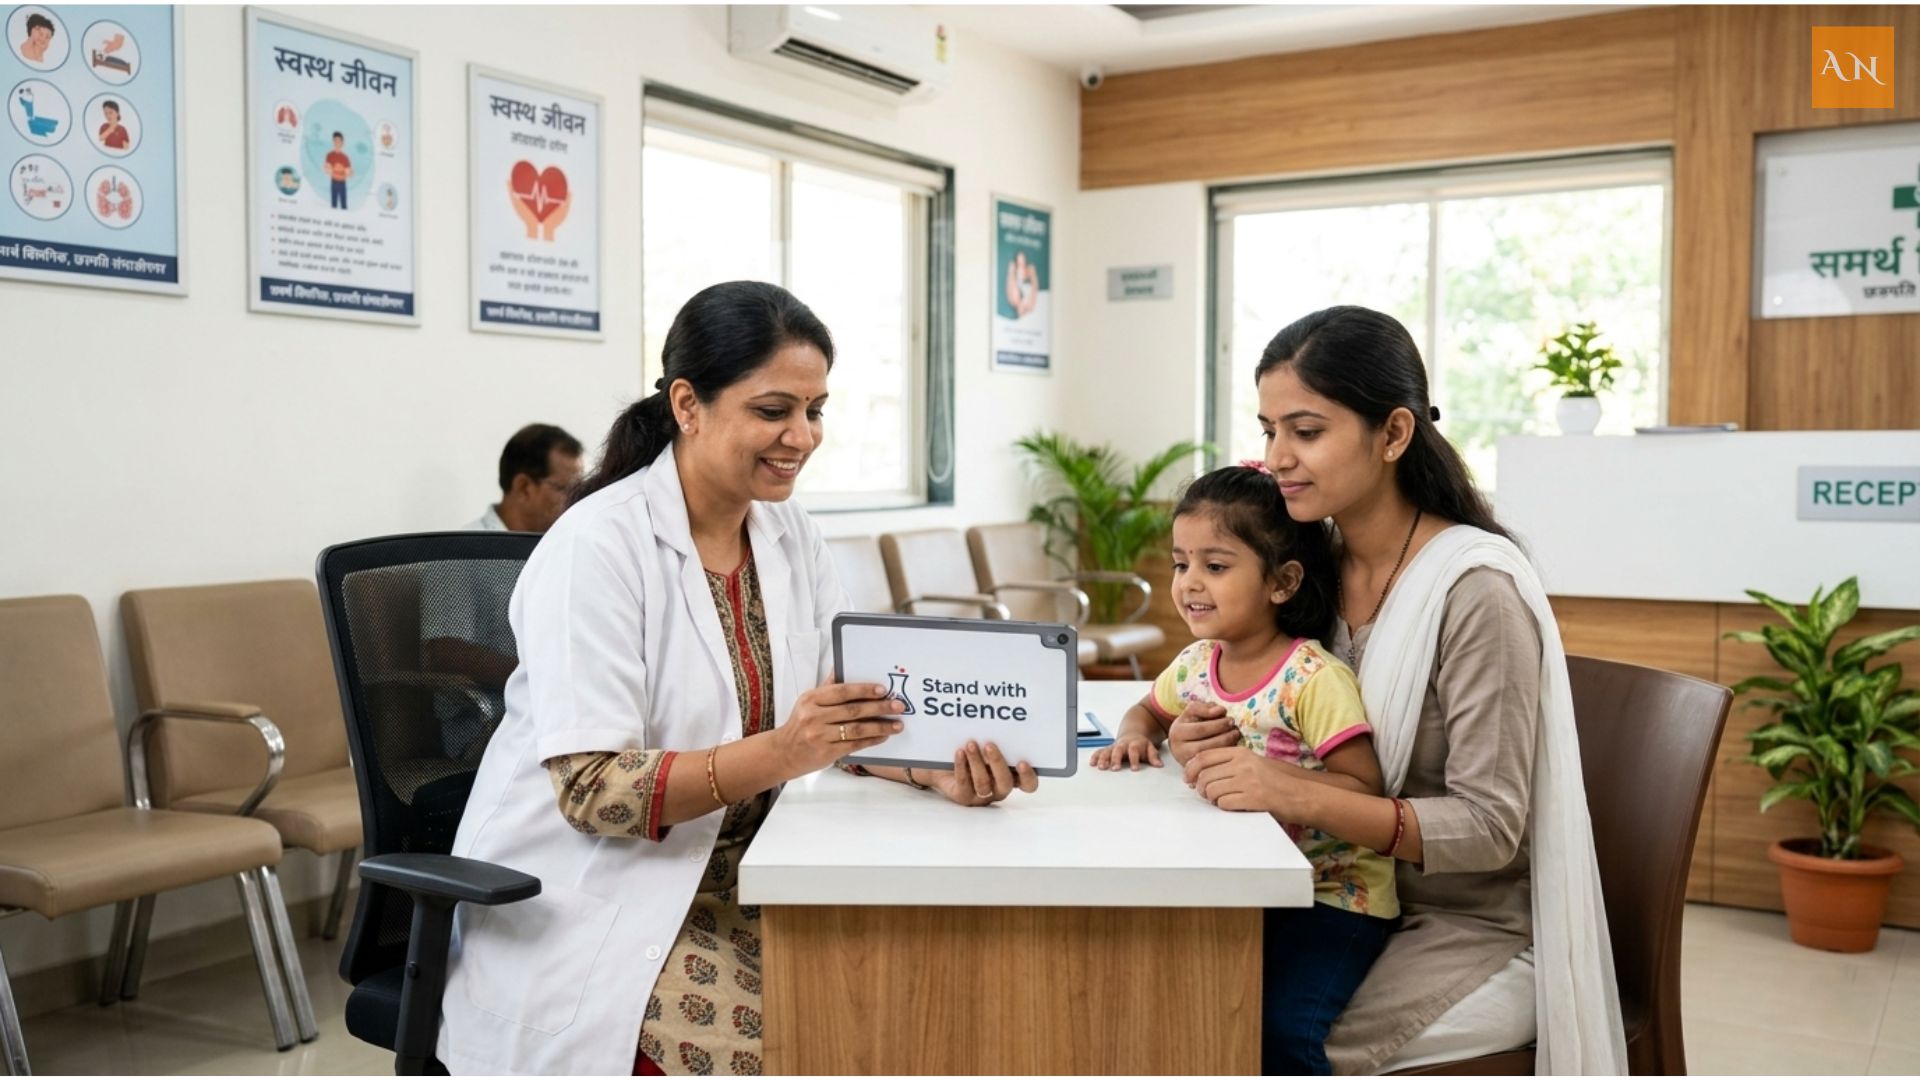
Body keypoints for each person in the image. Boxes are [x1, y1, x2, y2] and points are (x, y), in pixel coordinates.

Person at [436, 281, 1039, 1075]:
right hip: (603, 905)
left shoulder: (788, 532)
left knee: (919, 1008)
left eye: (816, 410)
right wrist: (785, 752)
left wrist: (937, 774)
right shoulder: (598, 548)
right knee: (807, 1049)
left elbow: (843, 713)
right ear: (688, 405)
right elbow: (593, 789)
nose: (802, 436)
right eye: (773, 410)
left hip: (753, 879)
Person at [1173, 305, 1626, 1075]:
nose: (1278, 457)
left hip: (1466, 927)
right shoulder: (1311, 565)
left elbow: (1489, 827)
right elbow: (1276, 710)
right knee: (1175, 991)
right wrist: (1203, 734)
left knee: (1238, 1034)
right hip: (1333, 896)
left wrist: (1295, 792)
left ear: (1393, 434)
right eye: (1268, 429)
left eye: (1306, 431)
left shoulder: (1475, 592)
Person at [1092, 462, 1395, 1074]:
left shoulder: (1313, 679)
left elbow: (1365, 787)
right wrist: (1133, 735)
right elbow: (1147, 708)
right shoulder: (1196, 663)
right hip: (1247, 884)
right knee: (1187, 993)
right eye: (1181, 564)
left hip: (1333, 897)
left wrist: (1274, 784)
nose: (1189, 583)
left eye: (1216, 566)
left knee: (1281, 1028)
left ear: (1282, 582)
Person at [463, 423, 584, 534]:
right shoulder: (465, 552)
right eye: (566, 489)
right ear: (523, 487)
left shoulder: (567, 544)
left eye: (579, 490)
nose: (576, 500)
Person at [325, 131, 352, 209]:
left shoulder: (345, 157)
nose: (337, 143)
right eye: (335, 141)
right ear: (333, 142)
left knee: (344, 205)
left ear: (342, 143)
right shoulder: (329, 155)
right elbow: (327, 169)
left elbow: (348, 172)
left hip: (342, 183)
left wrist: (346, 172)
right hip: (333, 182)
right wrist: (336, 170)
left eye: (339, 141)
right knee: (334, 205)